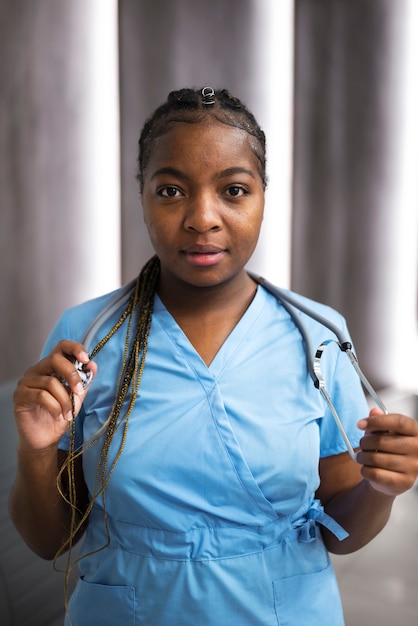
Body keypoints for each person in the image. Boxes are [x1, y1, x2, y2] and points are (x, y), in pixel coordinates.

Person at [9, 87, 418, 626]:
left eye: (234, 189)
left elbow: (339, 532)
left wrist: (381, 488)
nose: (203, 217)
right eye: (172, 190)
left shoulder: (318, 336)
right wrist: (37, 452)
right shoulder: (88, 337)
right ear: (143, 197)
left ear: (263, 197)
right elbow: (48, 542)